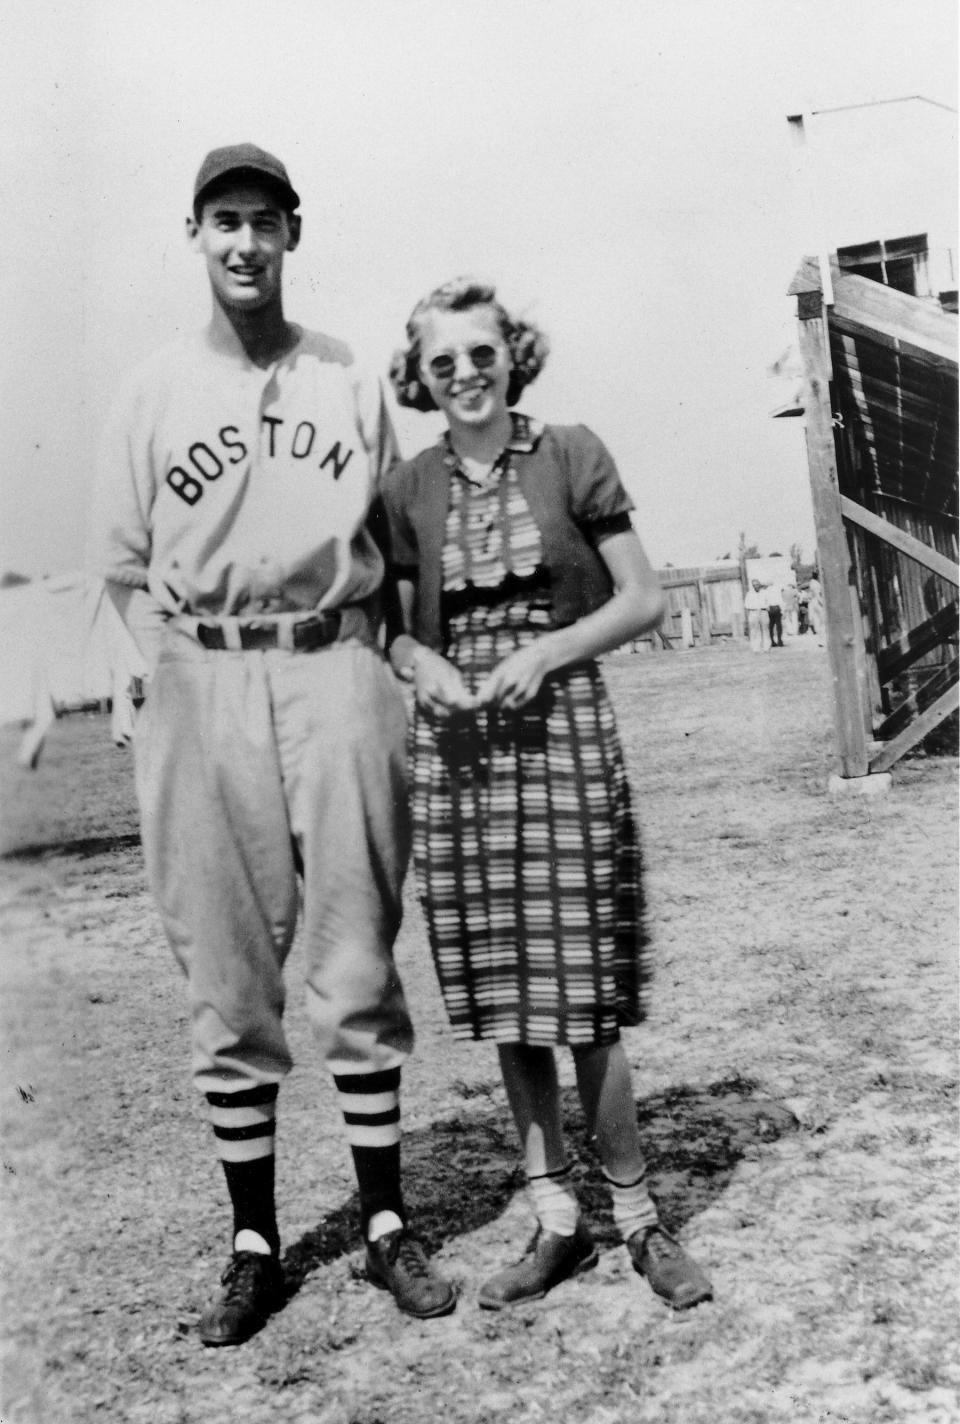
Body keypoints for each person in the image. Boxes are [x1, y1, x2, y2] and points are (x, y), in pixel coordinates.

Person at [90, 144, 455, 1347]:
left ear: (294, 233)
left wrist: (394, 658)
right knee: (228, 965)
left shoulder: (350, 377)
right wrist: (162, 673)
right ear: (194, 235)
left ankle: (388, 1219)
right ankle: (255, 1239)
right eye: (222, 221)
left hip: (335, 661)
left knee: (356, 947)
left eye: (263, 220)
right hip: (203, 668)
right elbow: (126, 566)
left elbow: (397, 544)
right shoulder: (148, 390)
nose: (243, 242)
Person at [381, 277, 713, 1312]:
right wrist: (419, 666)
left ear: (511, 352)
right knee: (510, 998)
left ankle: (640, 1218)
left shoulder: (570, 450)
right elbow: (390, 627)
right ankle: (558, 1219)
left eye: (481, 354)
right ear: (421, 379)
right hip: (462, 751)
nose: (465, 375)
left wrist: (554, 650)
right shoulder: (407, 487)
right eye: (444, 364)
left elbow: (645, 597)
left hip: (562, 731)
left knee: (585, 992)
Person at [744, 578, 769, 652]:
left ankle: (766, 647)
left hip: (763, 611)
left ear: (759, 584)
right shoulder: (749, 594)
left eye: (757, 584)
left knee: (765, 630)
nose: (756, 586)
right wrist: (754, 608)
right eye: (754, 585)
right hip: (753, 612)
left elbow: (768, 602)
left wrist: (764, 607)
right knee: (754, 631)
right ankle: (756, 647)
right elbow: (746, 605)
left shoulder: (764, 592)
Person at [762, 579, 784, 648]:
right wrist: (783, 610)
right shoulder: (777, 590)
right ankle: (779, 640)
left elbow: (765, 601)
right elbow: (780, 601)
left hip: (770, 609)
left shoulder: (765, 591)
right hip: (777, 608)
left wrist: (767, 607)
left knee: (771, 626)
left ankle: (772, 641)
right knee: (779, 625)